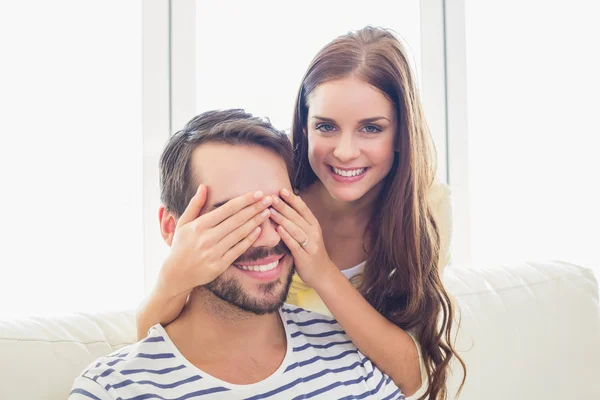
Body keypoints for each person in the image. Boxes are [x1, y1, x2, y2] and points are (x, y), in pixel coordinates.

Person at [136, 26, 466, 399]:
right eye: (325, 126)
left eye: (371, 128)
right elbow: (149, 346)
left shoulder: (425, 210)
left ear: (401, 136)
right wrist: (173, 276)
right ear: (305, 127)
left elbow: (410, 376)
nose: (344, 151)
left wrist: (321, 270)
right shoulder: (274, 185)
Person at [69, 110, 405, 399]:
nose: (269, 235)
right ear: (172, 229)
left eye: (279, 208)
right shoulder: (113, 389)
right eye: (234, 216)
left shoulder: (349, 353)